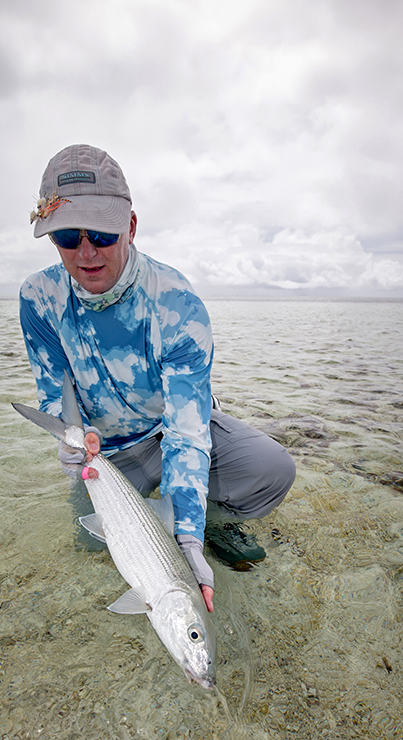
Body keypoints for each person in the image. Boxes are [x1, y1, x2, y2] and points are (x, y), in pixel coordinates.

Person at [19, 144, 296, 614]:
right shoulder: (37, 298)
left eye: (102, 235)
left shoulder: (177, 302)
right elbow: (54, 390)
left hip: (171, 428)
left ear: (129, 226)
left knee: (272, 471)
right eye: (67, 235)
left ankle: (207, 523)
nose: (86, 253)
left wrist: (187, 537)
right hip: (107, 450)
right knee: (93, 545)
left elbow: (189, 430)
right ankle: (164, 512)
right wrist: (70, 439)